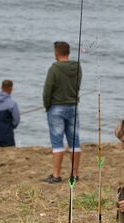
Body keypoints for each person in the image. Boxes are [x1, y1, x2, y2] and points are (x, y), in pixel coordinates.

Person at [42, 41, 82, 183]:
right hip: (73, 107)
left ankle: (56, 174)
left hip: (56, 108)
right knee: (74, 142)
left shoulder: (54, 68)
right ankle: (75, 174)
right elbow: (77, 86)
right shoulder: (77, 67)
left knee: (57, 142)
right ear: (68, 52)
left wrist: (47, 106)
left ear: (56, 53)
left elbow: (47, 90)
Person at [0, 80, 20, 148]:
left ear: (1, 87)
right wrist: (11, 127)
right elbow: (16, 120)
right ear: (11, 89)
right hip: (7, 137)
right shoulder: (12, 103)